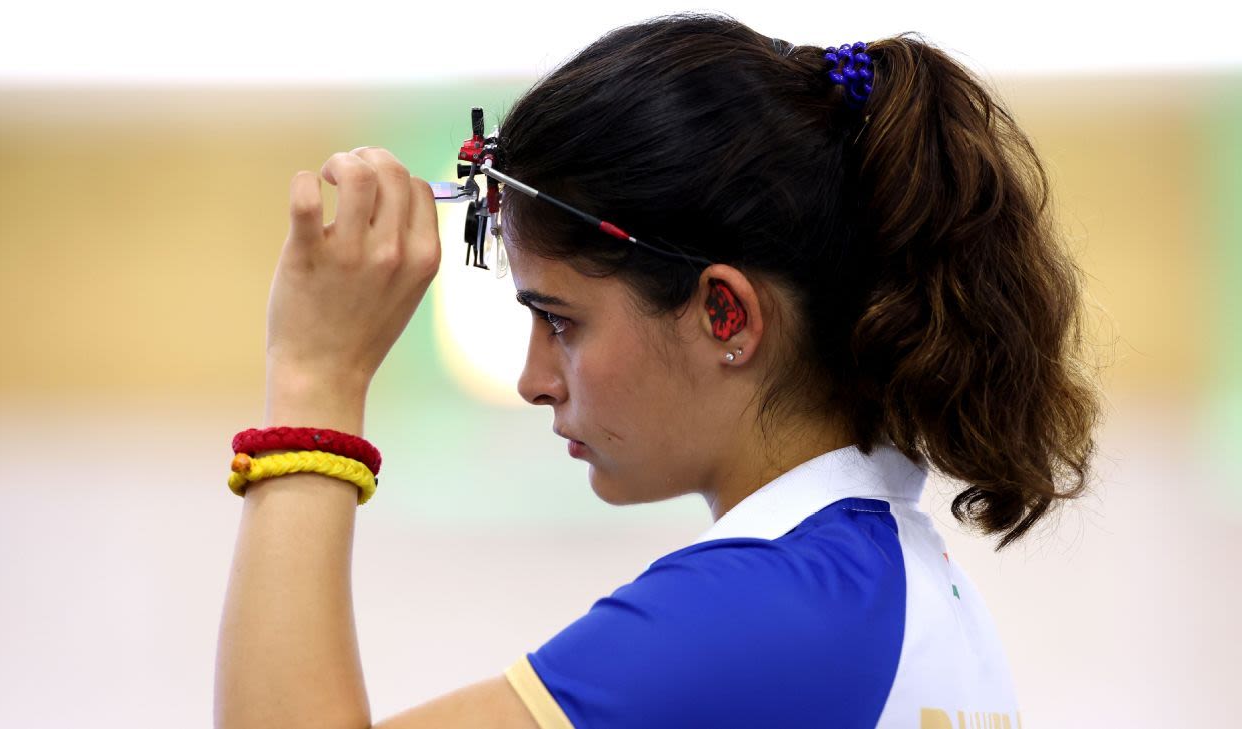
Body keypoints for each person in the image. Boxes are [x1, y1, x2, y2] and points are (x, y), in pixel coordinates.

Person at [214, 11, 1101, 729]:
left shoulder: (762, 613)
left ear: (727, 314)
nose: (533, 380)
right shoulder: (899, 582)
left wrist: (314, 378)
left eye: (560, 321)